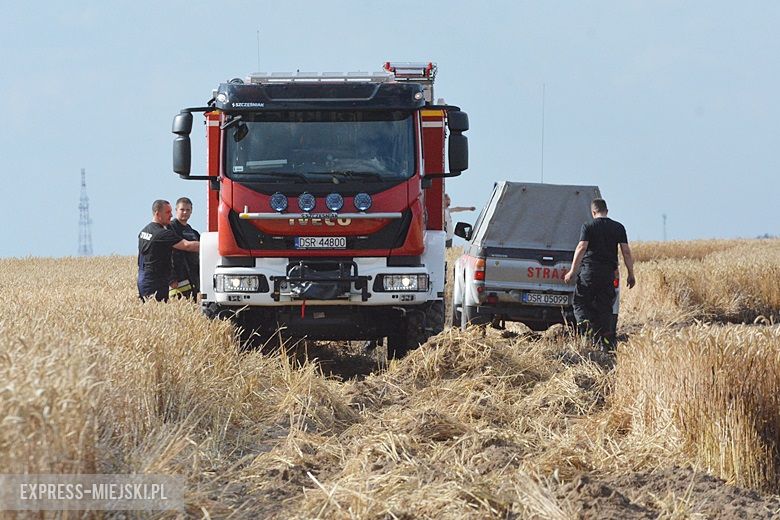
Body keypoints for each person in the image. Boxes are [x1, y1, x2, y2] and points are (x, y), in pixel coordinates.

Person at [564, 198, 636, 347]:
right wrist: (631, 274)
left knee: (580, 302)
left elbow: (582, 247)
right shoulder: (618, 227)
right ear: (607, 211)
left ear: (593, 212)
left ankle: (584, 324)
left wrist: (572, 271)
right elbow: (626, 252)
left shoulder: (588, 226)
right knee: (605, 307)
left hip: (589, 272)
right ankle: (606, 341)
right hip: (608, 274)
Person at [137, 199, 199, 302]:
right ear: (158, 214)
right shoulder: (162, 234)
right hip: (156, 281)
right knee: (156, 312)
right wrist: (213, 244)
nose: (171, 215)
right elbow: (187, 246)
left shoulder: (145, 231)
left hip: (145, 278)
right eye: (167, 212)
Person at [169, 197, 200, 300]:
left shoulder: (193, 232)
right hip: (177, 279)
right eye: (182, 209)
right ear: (176, 210)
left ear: (191, 211)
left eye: (188, 210)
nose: (185, 212)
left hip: (192, 278)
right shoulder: (170, 229)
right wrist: (171, 278)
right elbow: (165, 255)